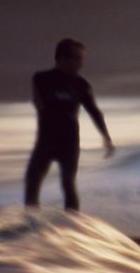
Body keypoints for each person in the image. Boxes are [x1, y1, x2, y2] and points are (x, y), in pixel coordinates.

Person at [24, 38, 114, 211]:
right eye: (77, 59)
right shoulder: (41, 79)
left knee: (67, 183)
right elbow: (40, 102)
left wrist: (106, 137)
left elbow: (94, 111)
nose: (81, 64)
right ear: (62, 59)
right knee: (32, 180)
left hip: (69, 143)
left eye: (82, 59)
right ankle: (31, 222)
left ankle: (73, 224)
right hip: (46, 141)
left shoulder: (81, 85)